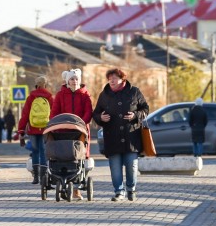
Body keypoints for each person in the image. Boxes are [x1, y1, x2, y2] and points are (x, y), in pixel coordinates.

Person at [93, 68, 149, 202]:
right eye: (109, 78)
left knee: (131, 165)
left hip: (131, 137)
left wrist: (136, 115)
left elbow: (145, 108)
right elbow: (95, 114)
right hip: (112, 137)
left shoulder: (134, 91)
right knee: (115, 167)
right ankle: (119, 192)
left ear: (122, 79)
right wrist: (101, 117)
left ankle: (131, 189)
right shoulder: (104, 94)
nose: (111, 81)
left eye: (114, 78)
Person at [51, 68, 93, 200]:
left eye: (76, 79)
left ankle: (76, 189)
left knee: (80, 158)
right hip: (63, 131)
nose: (74, 81)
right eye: (72, 79)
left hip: (80, 131)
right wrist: (54, 124)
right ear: (67, 81)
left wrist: (81, 124)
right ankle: (62, 182)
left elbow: (88, 112)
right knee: (63, 157)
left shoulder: (85, 95)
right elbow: (55, 111)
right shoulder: (60, 95)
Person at [17, 76, 54, 184]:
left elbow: (25, 115)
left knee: (35, 151)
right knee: (43, 151)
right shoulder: (50, 98)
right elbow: (53, 114)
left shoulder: (31, 98)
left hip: (32, 129)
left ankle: (36, 177)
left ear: (36, 85)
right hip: (45, 129)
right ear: (45, 84)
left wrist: (21, 131)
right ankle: (43, 176)